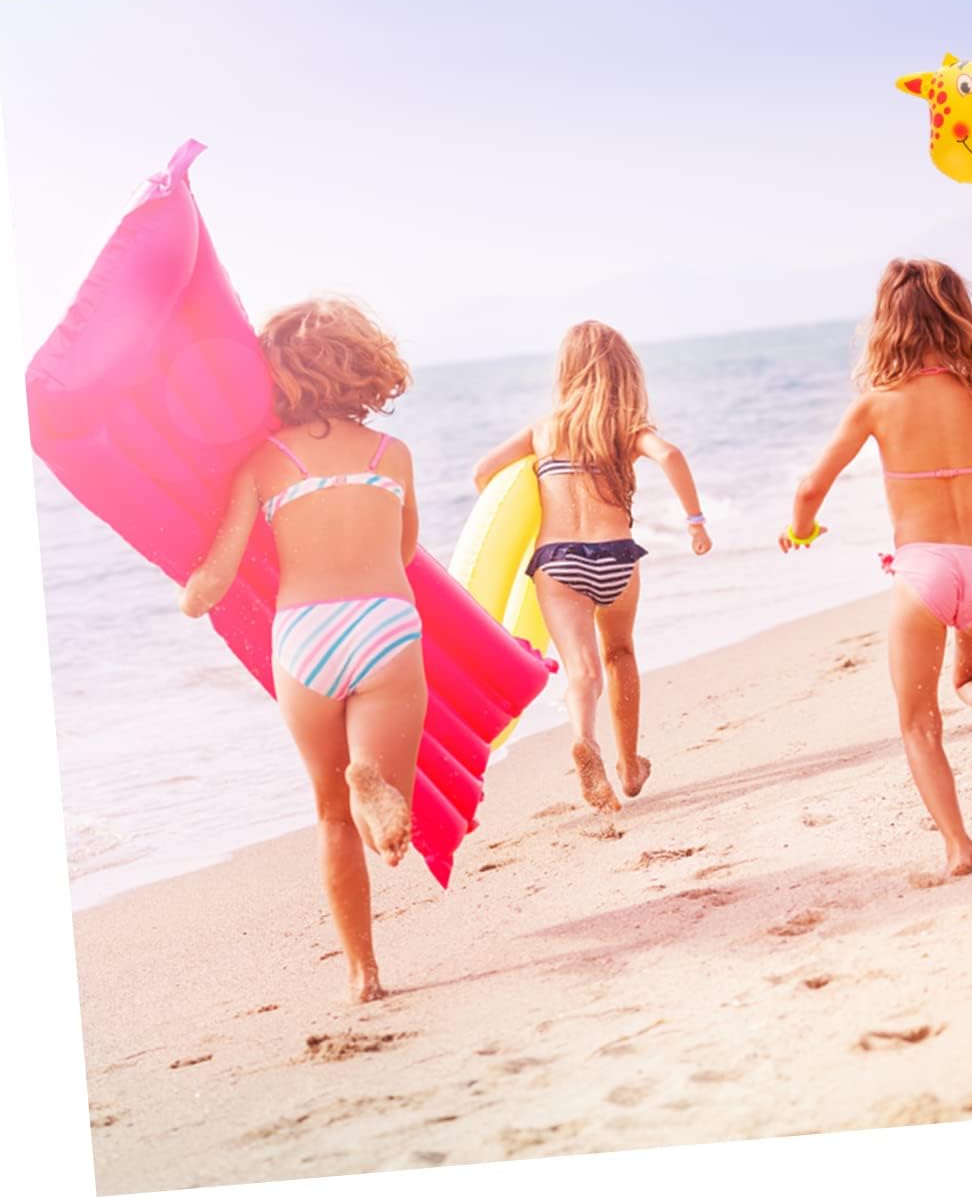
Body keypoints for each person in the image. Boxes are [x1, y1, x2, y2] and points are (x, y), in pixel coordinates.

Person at [780, 258, 972, 877]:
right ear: (958, 315)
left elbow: (810, 487)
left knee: (918, 723)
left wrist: (800, 530)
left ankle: (958, 846)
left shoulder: (876, 404)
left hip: (923, 572)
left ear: (886, 324)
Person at [179, 298, 424, 1002]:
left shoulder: (264, 461)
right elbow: (406, 551)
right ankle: (371, 779)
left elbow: (214, 580)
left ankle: (362, 974)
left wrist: (190, 595)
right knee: (384, 813)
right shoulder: (391, 455)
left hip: (305, 638)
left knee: (330, 815)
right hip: (383, 626)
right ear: (363, 364)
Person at [473, 320, 711, 812]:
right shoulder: (626, 428)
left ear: (567, 370)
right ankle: (630, 765)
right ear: (624, 372)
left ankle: (585, 741)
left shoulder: (543, 430)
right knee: (620, 653)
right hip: (616, 557)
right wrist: (695, 522)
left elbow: (482, 474)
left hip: (559, 562)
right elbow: (670, 455)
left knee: (582, 671)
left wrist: (516, 520)